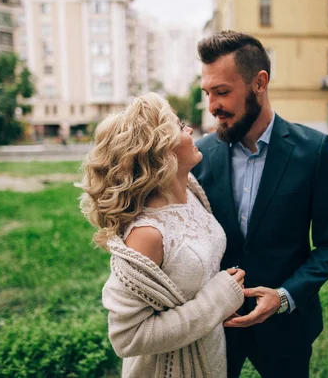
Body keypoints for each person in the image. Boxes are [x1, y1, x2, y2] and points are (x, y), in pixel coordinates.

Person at [192, 31, 328, 377]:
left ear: (259, 83)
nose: (212, 106)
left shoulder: (314, 151)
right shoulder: (201, 154)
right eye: (208, 93)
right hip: (216, 327)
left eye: (222, 92)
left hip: (288, 329)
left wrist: (283, 296)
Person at [77, 92, 245, 377]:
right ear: (159, 152)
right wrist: (218, 301)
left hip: (209, 357)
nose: (190, 130)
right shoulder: (148, 234)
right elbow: (126, 337)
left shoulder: (191, 191)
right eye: (179, 127)